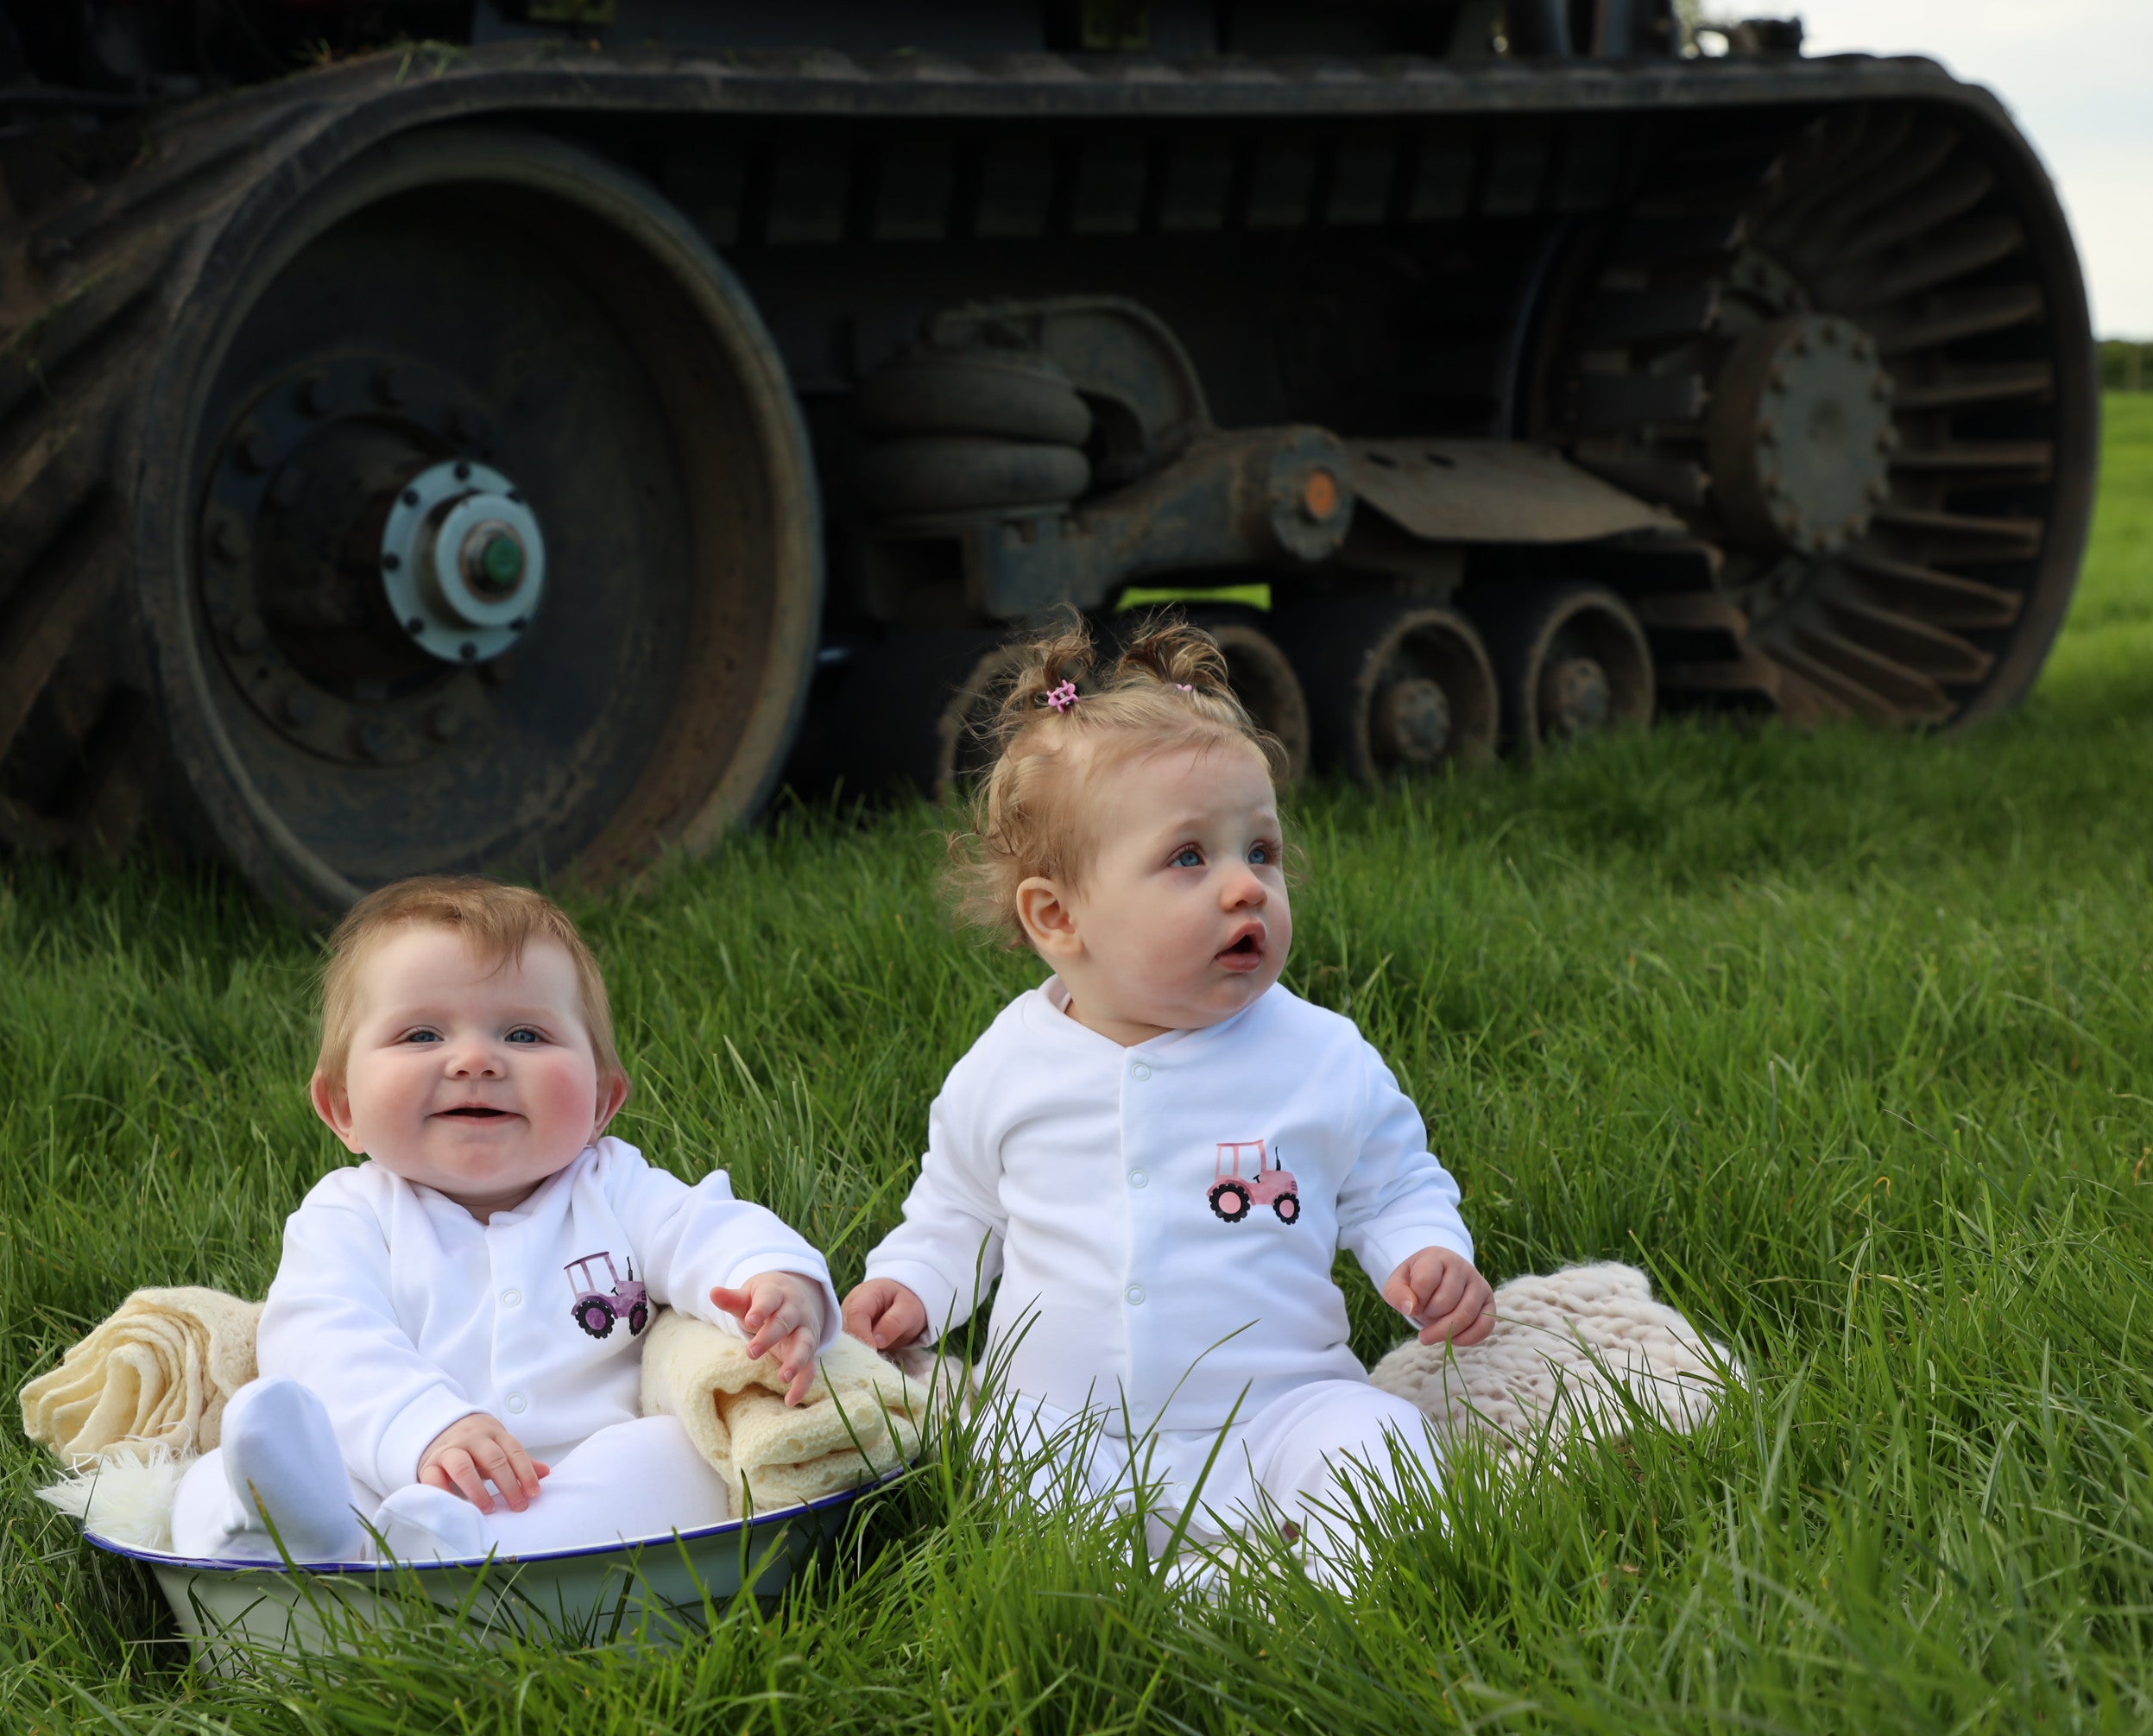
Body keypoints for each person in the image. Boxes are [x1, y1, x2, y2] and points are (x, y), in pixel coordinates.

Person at [838, 611, 1493, 1582]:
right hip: (1069, 1421)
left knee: (1381, 1449)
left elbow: (1394, 1182)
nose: (1245, 888)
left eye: (1259, 852)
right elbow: (961, 1208)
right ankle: (1158, 1597)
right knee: (1025, 1489)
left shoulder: (1319, 1055)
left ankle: (1303, 1592)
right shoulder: (1010, 1064)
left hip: (1283, 1402)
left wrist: (1426, 1253)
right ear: (1060, 917)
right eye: (1191, 858)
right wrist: (914, 1287)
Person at [169, 877, 836, 1565]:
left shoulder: (613, 1186)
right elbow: (323, 1338)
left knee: (677, 1454)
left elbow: (708, 1227)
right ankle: (302, 1531)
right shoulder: (350, 1215)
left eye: (525, 1033)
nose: (476, 1060)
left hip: (566, 1486)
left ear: (602, 1100)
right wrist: (424, 1428)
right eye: (421, 1033)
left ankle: (452, 1553)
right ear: (343, 1107)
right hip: (388, 1473)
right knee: (207, 1481)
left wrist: (775, 1281)